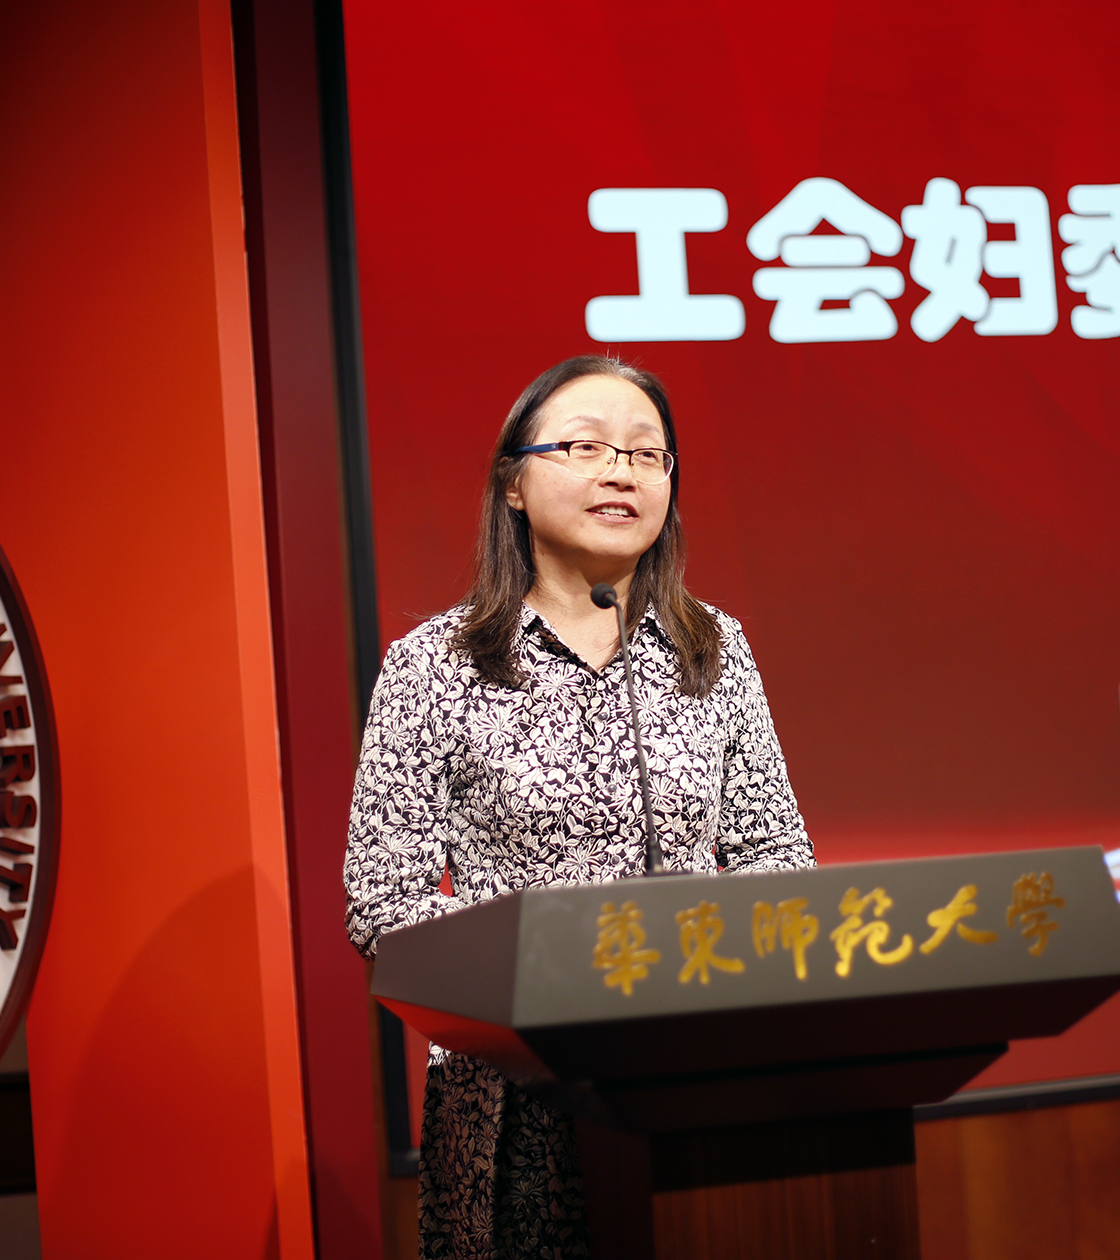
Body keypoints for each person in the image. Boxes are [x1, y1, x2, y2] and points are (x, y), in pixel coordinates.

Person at [342, 354, 816, 1258]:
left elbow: (776, 855)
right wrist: (547, 972)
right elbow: (383, 901)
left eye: (646, 453)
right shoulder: (433, 665)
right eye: (587, 447)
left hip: (697, 1071)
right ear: (513, 485)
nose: (621, 472)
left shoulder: (713, 648)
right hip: (516, 1094)